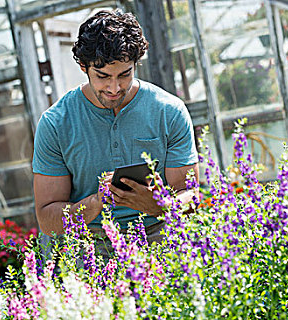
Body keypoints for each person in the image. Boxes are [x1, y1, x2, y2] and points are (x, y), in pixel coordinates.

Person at [32, 9, 199, 246]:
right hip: (88, 241)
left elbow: (190, 196)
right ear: (83, 67)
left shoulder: (168, 111)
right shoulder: (55, 123)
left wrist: (157, 205)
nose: (114, 88)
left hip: (159, 230)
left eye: (124, 74)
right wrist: (97, 201)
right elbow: (48, 219)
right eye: (102, 76)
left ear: (135, 64)